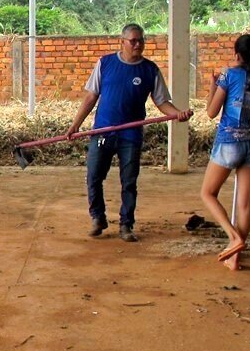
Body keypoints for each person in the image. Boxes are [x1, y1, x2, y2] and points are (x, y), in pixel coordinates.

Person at [66, 24, 191, 241]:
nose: (137, 44)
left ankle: (126, 224)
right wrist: (76, 124)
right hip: (103, 132)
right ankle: (98, 217)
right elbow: (90, 97)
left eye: (141, 40)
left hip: (130, 135)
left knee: (129, 181)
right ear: (121, 42)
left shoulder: (150, 70)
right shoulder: (106, 64)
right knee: (94, 176)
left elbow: (162, 102)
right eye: (133, 41)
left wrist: (177, 114)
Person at [200, 34, 250, 271]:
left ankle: (234, 238)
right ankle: (234, 259)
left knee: (208, 193)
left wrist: (213, 86)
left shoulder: (229, 75)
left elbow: (211, 112)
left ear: (238, 55)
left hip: (228, 142)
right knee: (244, 204)